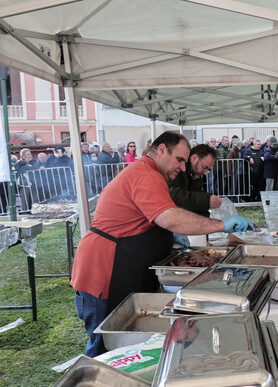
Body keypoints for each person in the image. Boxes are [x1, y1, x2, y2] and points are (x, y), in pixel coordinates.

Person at [71, 131, 253, 357]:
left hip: (127, 266)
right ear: (162, 150)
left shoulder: (152, 173)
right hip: (106, 268)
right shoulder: (145, 173)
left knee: (130, 345)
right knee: (105, 345)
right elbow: (169, 217)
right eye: (179, 160)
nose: (183, 168)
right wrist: (221, 224)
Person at [168, 144, 222, 217]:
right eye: (204, 167)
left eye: (207, 170)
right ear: (193, 159)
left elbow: (198, 206)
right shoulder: (176, 169)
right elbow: (173, 195)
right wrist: (206, 200)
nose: (205, 173)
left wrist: (208, 222)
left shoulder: (196, 175)